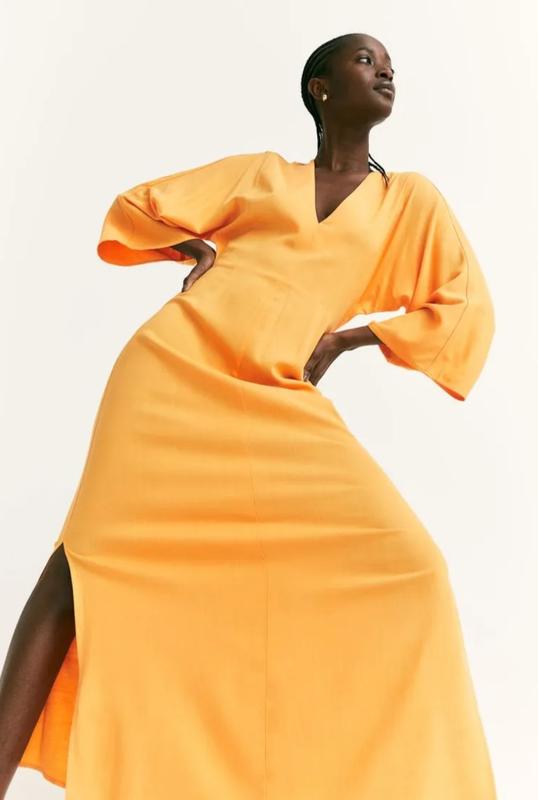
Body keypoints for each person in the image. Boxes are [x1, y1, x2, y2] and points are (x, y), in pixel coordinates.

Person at [0, 31, 497, 799]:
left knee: (415, 568)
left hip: (277, 396)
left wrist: (349, 339)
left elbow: (463, 304)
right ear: (320, 87)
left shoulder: (408, 200)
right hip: (170, 375)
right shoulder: (263, 174)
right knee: (87, 560)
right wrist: (194, 250)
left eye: (390, 64)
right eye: (365, 60)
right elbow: (136, 207)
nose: (386, 71)